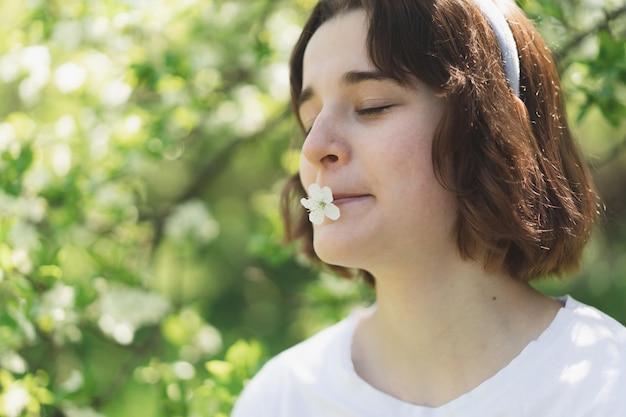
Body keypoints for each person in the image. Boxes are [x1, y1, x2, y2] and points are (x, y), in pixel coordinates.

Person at [232, 0, 626, 415]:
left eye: (372, 106)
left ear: (495, 130)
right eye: (309, 121)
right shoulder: (282, 399)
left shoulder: (605, 387)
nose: (314, 148)